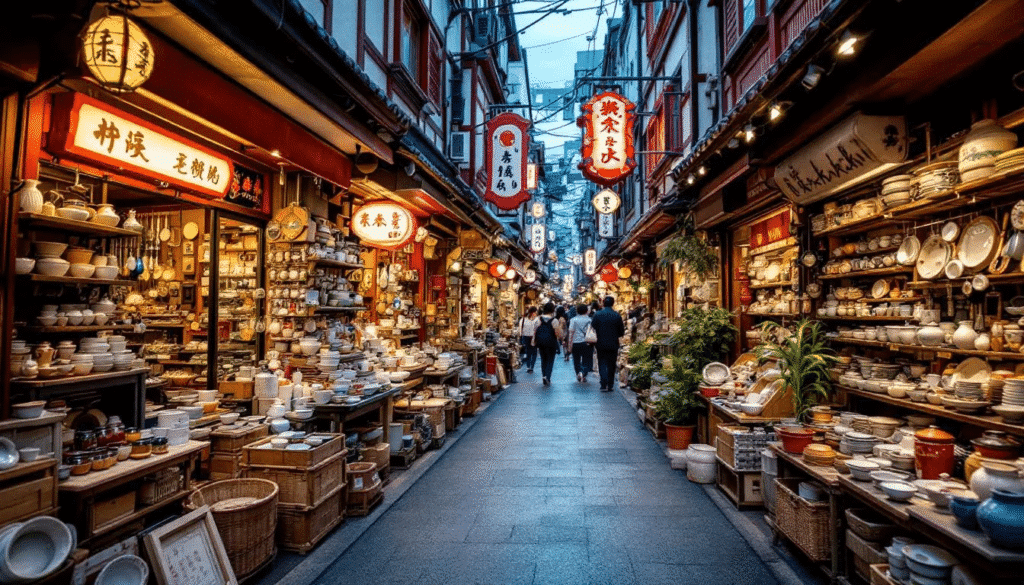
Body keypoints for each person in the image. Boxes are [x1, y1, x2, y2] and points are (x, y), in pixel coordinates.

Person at [589, 295, 625, 392]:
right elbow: (621, 332)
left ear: (603, 303)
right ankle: (610, 384)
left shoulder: (597, 314)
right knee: (611, 364)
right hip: (613, 343)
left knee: (602, 362)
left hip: (600, 342)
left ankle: (603, 383)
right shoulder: (617, 315)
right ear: (613, 303)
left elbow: (593, 327)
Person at [533, 302, 562, 385]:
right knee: (550, 360)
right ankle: (547, 377)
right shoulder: (554, 320)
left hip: (541, 342)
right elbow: (557, 333)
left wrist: (534, 341)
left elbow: (535, 330)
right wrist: (560, 339)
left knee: (543, 359)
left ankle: (543, 376)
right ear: (553, 310)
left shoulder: (538, 319)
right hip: (551, 342)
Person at [567, 304, 593, 383]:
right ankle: (583, 372)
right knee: (586, 359)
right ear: (586, 311)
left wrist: (569, 345)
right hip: (587, 342)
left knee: (576, 359)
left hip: (576, 342)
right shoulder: (590, 320)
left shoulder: (573, 320)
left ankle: (578, 373)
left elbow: (571, 333)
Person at [518, 307, 540, 373]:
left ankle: (531, 367)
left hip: (534, 337)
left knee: (534, 353)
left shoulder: (537, 319)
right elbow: (520, 329)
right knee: (528, 352)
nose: (536, 314)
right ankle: (528, 366)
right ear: (532, 312)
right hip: (526, 337)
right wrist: (521, 336)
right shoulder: (523, 319)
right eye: (535, 312)